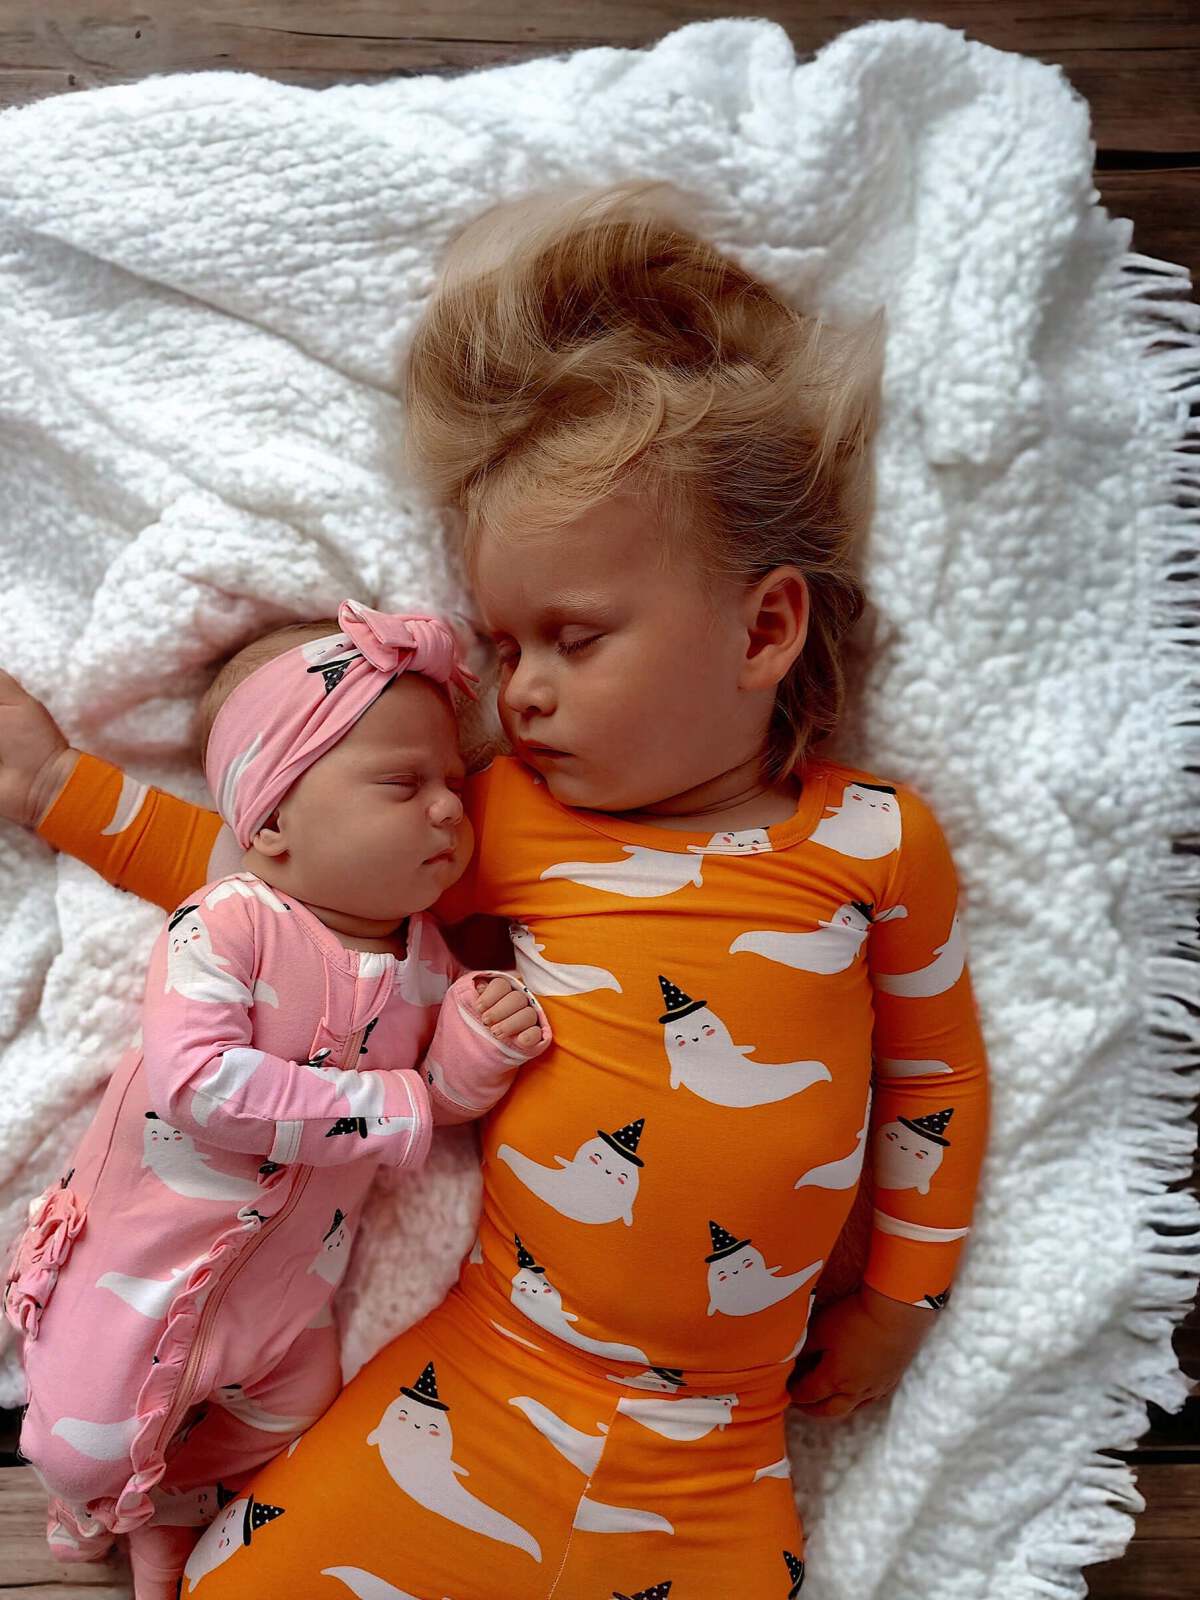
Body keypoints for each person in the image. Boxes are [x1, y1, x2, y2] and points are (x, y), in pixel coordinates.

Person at [0, 178, 990, 1598]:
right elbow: (273, 886)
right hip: (481, 1388)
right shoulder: (511, 823)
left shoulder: (874, 844)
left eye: (573, 638)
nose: (517, 691)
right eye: (501, 641)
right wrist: (55, 791)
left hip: (714, 1457)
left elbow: (938, 1080)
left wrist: (904, 1298)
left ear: (764, 626)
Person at [1, 601, 550, 1598]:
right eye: (403, 782)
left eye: (452, 787)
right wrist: (404, 1100)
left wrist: (474, 1044)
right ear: (274, 819)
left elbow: (441, 1104)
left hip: (289, 1295)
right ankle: (109, 1502)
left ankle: (170, 1510)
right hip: (142, 1273)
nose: (446, 810)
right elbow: (200, 1082)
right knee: (80, 1445)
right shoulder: (230, 922)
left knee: (296, 1416)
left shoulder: (425, 961)